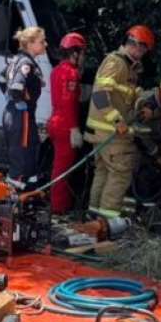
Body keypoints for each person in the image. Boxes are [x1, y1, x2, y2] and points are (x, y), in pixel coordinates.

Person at [85, 25, 152, 217]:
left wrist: (142, 104)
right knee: (119, 175)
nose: (144, 53)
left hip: (104, 134)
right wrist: (117, 122)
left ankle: (94, 219)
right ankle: (107, 223)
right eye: (144, 48)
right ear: (137, 45)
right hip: (111, 134)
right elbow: (99, 96)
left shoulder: (128, 67)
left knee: (103, 174)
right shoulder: (116, 63)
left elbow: (125, 96)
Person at [0, 27, 47, 189]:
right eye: (41, 42)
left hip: (17, 113)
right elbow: (16, 87)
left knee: (32, 146)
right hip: (21, 114)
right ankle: (15, 188)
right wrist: (19, 101)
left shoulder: (15, 59)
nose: (45, 44)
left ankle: (31, 182)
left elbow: (0, 79)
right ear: (30, 44)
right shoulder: (26, 63)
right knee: (21, 152)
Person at [48, 32, 87, 214]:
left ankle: (58, 205)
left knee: (58, 167)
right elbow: (68, 101)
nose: (83, 57)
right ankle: (58, 209)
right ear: (75, 52)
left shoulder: (56, 70)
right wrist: (74, 128)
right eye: (82, 53)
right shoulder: (71, 74)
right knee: (63, 172)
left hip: (55, 122)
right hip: (65, 125)